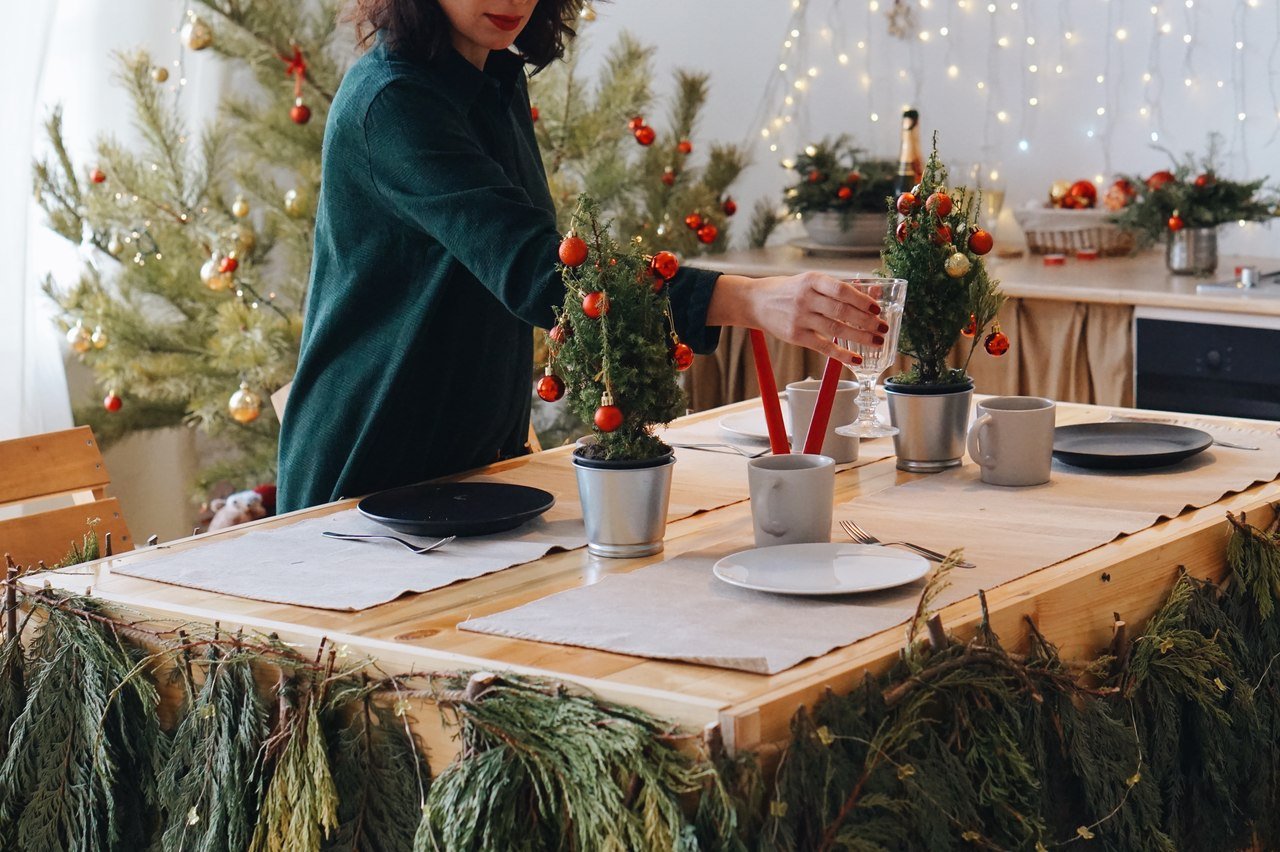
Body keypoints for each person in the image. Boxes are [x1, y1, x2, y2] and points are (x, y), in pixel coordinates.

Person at [276, 0, 888, 513]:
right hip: (369, 476)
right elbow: (539, 271)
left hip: (468, 471)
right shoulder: (394, 103)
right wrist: (749, 298)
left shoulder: (492, 80)